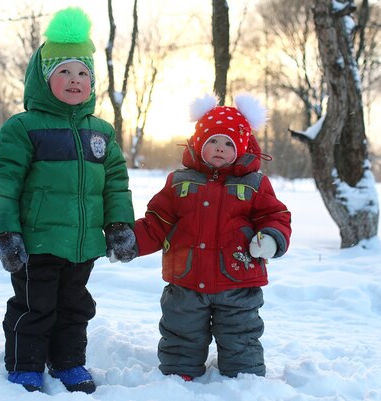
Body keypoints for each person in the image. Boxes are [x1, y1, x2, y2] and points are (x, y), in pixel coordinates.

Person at [0, 7, 136, 393]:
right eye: (64, 72)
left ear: (92, 82)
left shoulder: (101, 131)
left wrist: (119, 226)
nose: (74, 80)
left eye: (83, 73)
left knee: (75, 308)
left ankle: (69, 363)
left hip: (82, 244)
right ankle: (25, 365)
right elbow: (2, 182)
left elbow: (116, 183)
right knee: (35, 307)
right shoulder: (24, 128)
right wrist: (5, 231)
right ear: (44, 78)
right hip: (37, 242)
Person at [121, 93, 292, 380]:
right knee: (181, 328)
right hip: (186, 277)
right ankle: (179, 374)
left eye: (228, 143)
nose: (220, 148)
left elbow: (275, 216)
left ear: (241, 147)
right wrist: (133, 242)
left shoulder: (254, 183)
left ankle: (244, 377)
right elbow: (158, 220)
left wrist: (272, 238)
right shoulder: (179, 182)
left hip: (238, 278)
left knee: (240, 332)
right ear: (199, 143)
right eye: (212, 140)